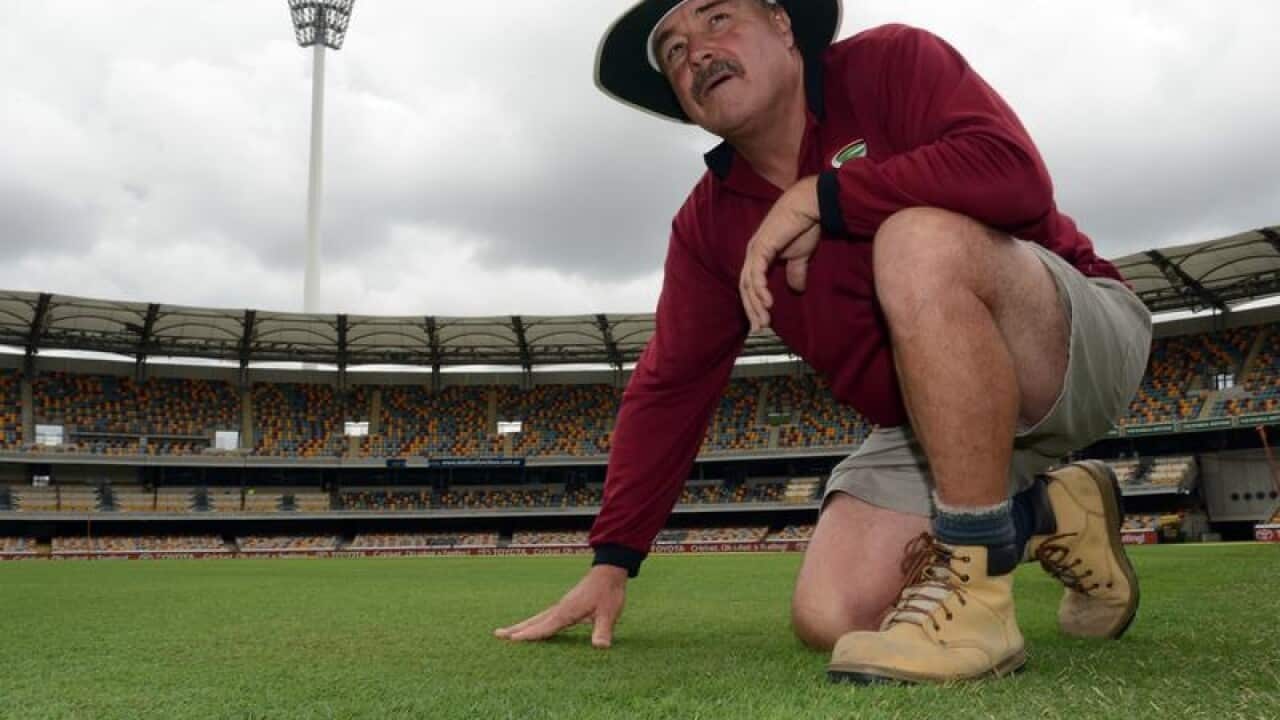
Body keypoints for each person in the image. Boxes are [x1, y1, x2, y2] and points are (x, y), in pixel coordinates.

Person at [495, 0, 1152, 685]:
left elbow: (1014, 176)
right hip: (935, 424)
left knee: (915, 240)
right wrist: (613, 558)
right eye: (674, 51)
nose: (697, 53)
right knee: (833, 615)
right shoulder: (707, 224)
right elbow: (672, 385)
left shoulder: (890, 63)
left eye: (717, 18)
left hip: (1069, 347)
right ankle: (1048, 510)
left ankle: (979, 592)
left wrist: (826, 196)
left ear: (782, 23)